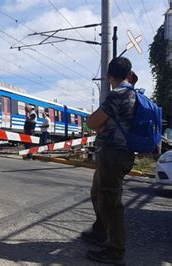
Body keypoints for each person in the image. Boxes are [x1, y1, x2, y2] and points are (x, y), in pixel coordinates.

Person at [84, 57, 136, 264]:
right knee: (97, 193)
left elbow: (92, 121)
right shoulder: (133, 94)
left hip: (113, 153)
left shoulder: (119, 95)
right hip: (120, 153)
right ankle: (100, 232)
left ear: (109, 77)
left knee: (110, 201)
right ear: (129, 74)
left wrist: (98, 125)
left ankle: (115, 250)